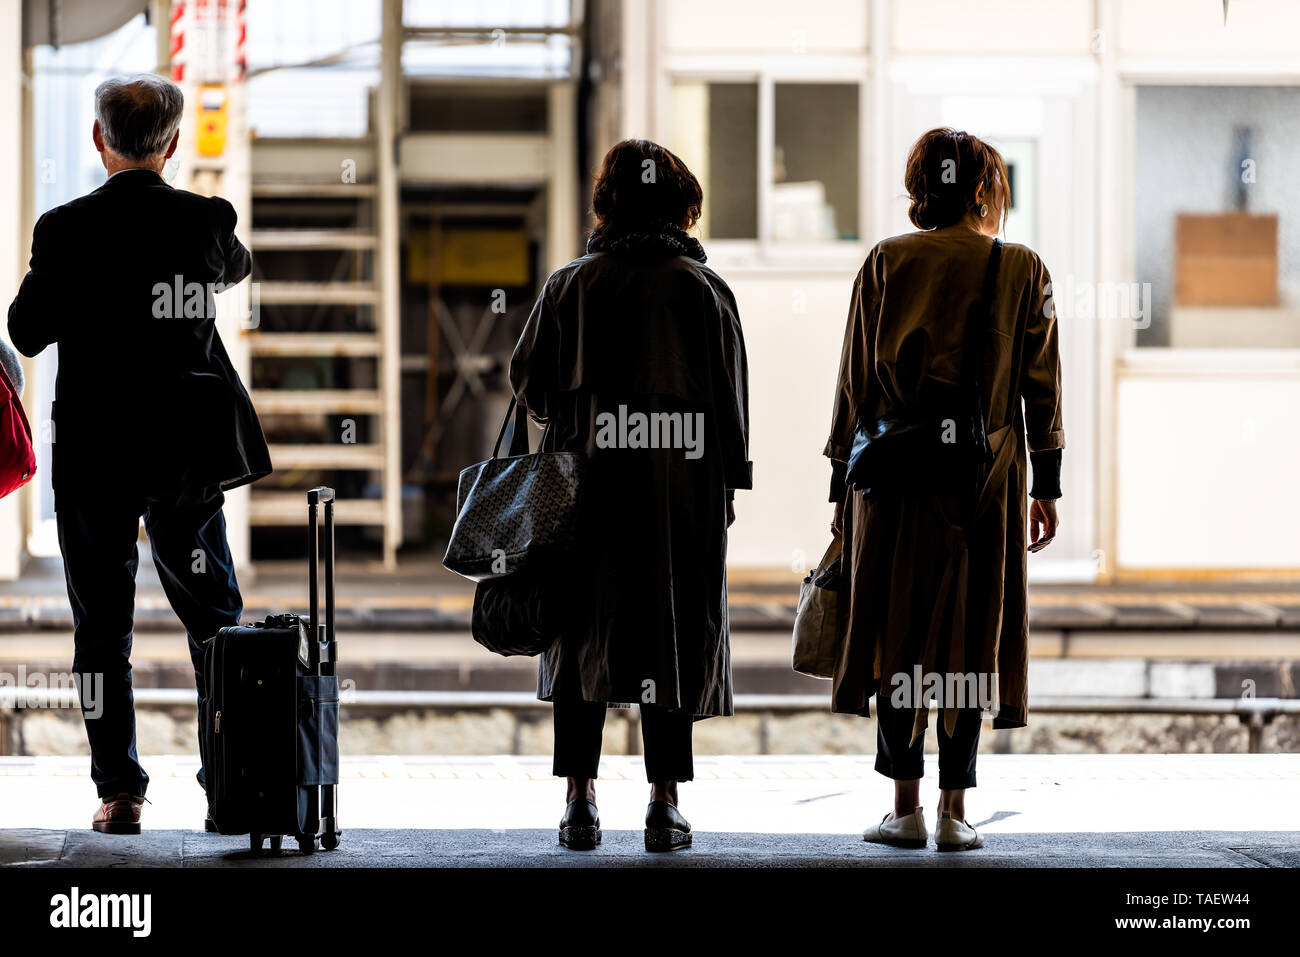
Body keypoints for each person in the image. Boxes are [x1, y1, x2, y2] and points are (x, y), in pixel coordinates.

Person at [6, 73, 271, 834]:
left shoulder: (63, 230)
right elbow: (236, 268)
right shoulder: (203, 221)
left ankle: (119, 792)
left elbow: (25, 333)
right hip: (182, 455)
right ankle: (231, 786)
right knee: (216, 622)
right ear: (174, 144)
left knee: (100, 630)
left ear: (98, 140)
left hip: (93, 457)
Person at [824, 128, 1064, 851]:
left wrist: (840, 483)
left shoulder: (886, 262)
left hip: (894, 478)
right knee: (971, 632)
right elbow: (1041, 390)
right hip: (986, 476)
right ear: (985, 190)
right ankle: (957, 809)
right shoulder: (1022, 268)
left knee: (899, 632)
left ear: (921, 187)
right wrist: (1045, 485)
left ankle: (905, 807)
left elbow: (854, 387)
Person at [510, 139, 751, 852]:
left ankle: (580, 802)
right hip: (679, 495)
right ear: (681, 207)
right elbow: (731, 409)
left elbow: (531, 386)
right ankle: (663, 802)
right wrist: (726, 489)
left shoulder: (569, 285)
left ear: (606, 203)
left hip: (585, 490)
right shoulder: (704, 291)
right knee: (667, 636)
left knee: (581, 632)